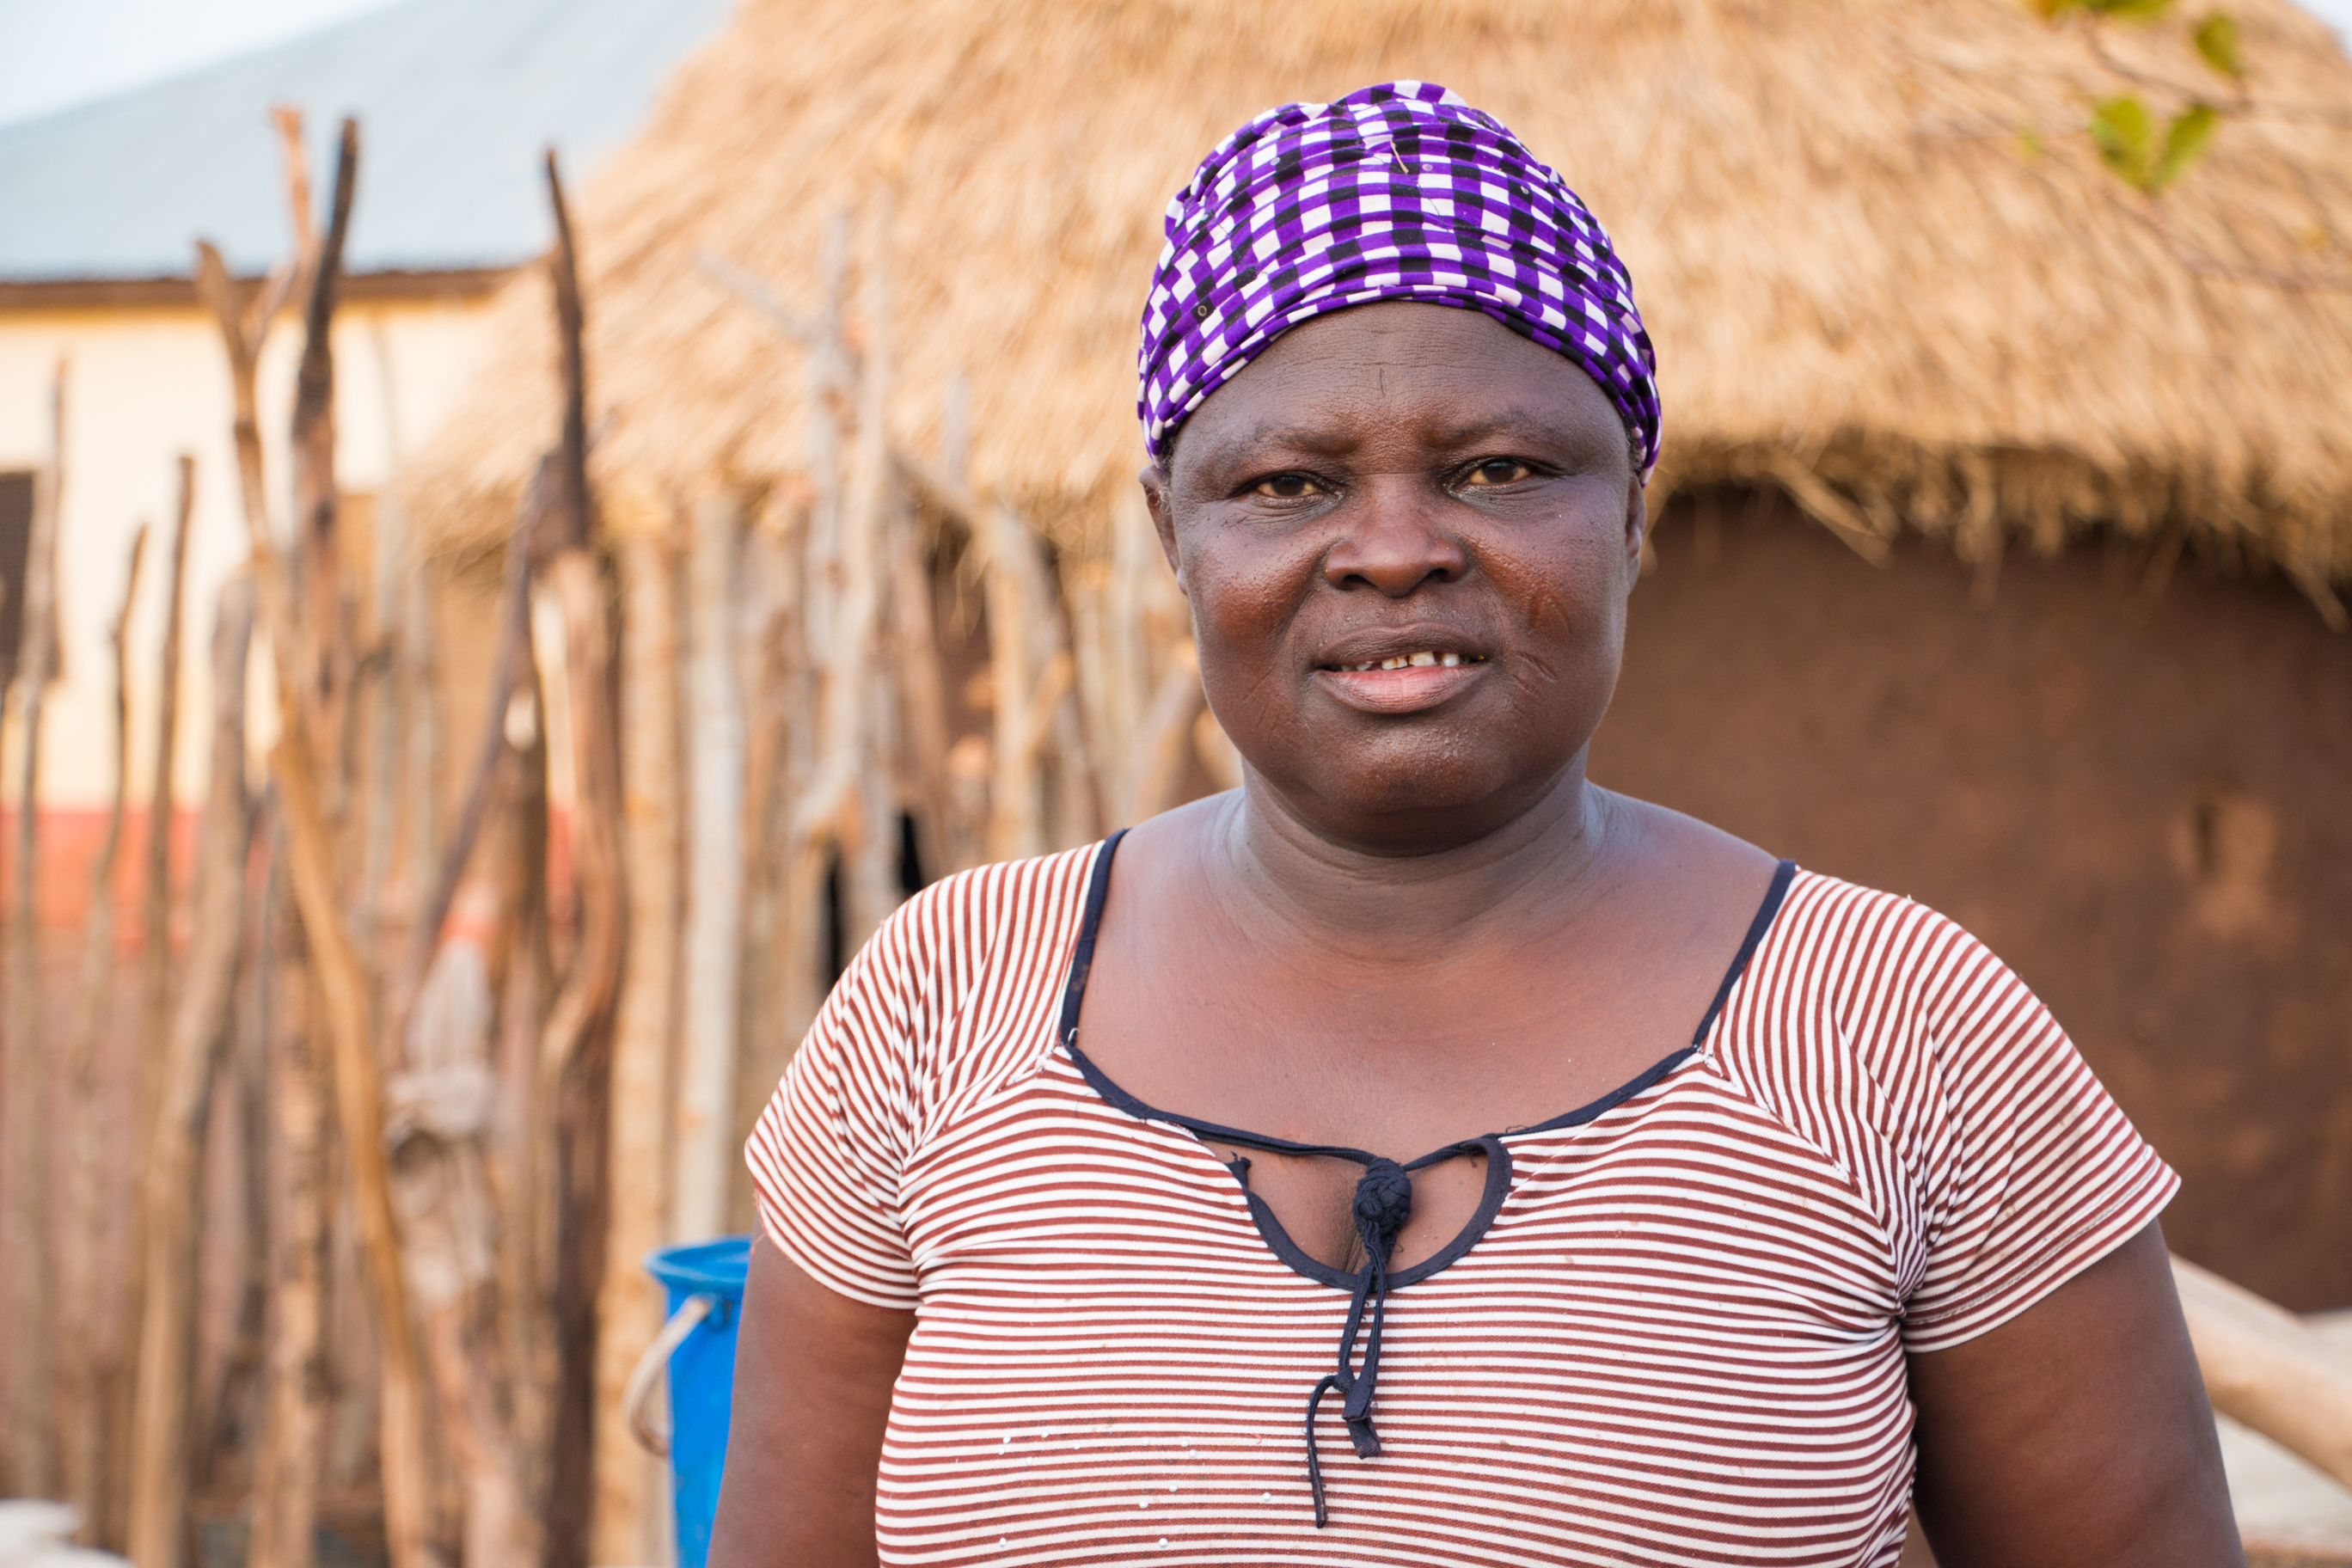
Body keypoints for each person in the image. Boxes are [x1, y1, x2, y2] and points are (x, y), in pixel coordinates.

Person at [712, 83, 2240, 1567]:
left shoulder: (1900, 1029)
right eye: (1289, 481)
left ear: (1631, 509)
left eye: (1500, 470)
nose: (1392, 550)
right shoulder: (943, 1001)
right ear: (1174, 534)